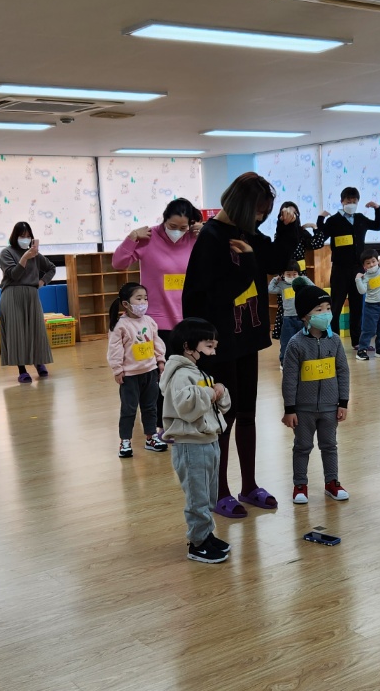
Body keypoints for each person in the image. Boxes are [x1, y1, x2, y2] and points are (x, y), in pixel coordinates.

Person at [181, 172, 300, 518]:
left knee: (247, 413)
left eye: (266, 212)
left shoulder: (246, 233)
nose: (261, 217)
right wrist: (249, 263)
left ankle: (249, 485)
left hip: (246, 338)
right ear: (242, 206)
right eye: (259, 211)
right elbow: (214, 293)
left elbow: (275, 261)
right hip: (218, 345)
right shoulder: (211, 238)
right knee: (223, 417)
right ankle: (220, 492)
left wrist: (287, 228)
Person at [160, 318, 233, 564]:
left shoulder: (199, 372)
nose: (213, 352)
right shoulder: (181, 375)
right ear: (188, 347)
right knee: (197, 496)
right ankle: (197, 544)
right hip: (191, 445)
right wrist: (211, 392)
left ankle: (205, 534)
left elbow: (220, 406)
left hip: (209, 440)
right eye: (209, 346)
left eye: (215, 347)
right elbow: (186, 406)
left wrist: (220, 391)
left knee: (209, 494)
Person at [280, 285, 350, 505]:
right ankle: (300, 485)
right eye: (319, 309)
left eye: (328, 308)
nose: (326, 313)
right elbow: (289, 378)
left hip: (330, 407)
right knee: (302, 447)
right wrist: (290, 409)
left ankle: (332, 482)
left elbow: (343, 371)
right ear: (304, 316)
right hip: (303, 409)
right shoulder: (295, 344)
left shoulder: (335, 341)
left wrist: (343, 402)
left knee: (329, 446)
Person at [111, 197, 203, 356]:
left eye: (183, 227)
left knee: (186, 368)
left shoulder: (194, 238)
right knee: (160, 367)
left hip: (188, 318)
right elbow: (118, 263)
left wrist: (206, 233)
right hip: (156, 320)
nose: (177, 231)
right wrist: (132, 238)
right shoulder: (149, 237)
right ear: (164, 219)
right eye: (172, 226)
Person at [317, 187, 380, 348]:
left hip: (358, 270)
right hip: (339, 269)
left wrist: (377, 209)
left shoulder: (360, 218)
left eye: (354, 201)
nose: (351, 204)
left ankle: (357, 341)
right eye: (348, 201)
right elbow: (321, 235)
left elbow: (378, 226)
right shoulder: (334, 221)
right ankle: (334, 341)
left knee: (357, 306)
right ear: (342, 202)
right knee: (336, 306)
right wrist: (320, 218)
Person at [107, 281, 167, 458]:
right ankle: (125, 441)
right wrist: (117, 369)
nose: (143, 302)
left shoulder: (149, 321)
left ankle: (151, 437)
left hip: (150, 372)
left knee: (150, 407)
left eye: (145, 298)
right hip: (130, 376)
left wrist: (160, 360)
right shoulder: (120, 326)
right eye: (138, 299)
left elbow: (156, 342)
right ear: (126, 304)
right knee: (129, 410)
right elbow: (115, 350)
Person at [0, 221, 56, 383]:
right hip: (12, 295)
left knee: (36, 330)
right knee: (17, 332)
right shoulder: (6, 253)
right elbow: (14, 274)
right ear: (15, 236)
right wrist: (25, 257)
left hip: (31, 295)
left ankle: (39, 362)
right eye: (22, 236)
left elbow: (51, 268)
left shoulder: (35, 255)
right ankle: (22, 369)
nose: (25, 239)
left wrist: (42, 282)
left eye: (28, 236)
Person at [268, 257, 315, 362]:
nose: (292, 277)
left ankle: (303, 359)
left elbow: (313, 288)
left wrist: (304, 278)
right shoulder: (282, 285)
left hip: (301, 317)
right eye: (288, 274)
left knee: (304, 339)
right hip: (288, 318)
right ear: (283, 274)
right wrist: (275, 279)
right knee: (286, 341)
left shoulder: (302, 284)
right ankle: (284, 361)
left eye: (294, 274)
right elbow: (270, 290)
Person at [353, 249, 380, 361]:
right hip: (371, 307)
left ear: (377, 261)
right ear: (364, 266)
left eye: (373, 261)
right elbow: (362, 291)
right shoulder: (365, 277)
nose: (371, 265)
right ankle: (362, 350)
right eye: (368, 263)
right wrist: (358, 279)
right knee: (369, 330)